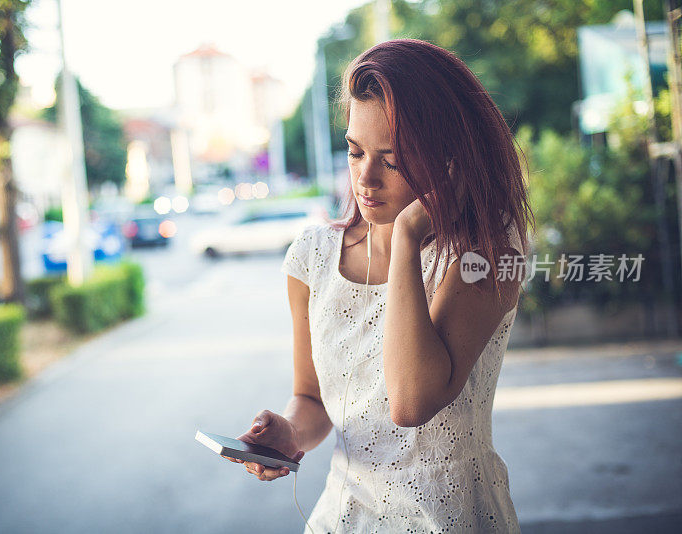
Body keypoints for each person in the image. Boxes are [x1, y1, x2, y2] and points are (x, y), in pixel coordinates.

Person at [222, 38, 533, 533]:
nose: (365, 179)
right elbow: (312, 398)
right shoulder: (313, 256)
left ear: (450, 159)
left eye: (392, 159)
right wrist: (288, 434)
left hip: (448, 519)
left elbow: (411, 402)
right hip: (343, 519)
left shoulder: (490, 253)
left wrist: (408, 238)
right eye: (354, 151)